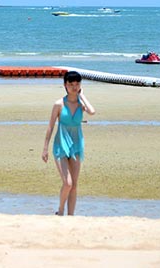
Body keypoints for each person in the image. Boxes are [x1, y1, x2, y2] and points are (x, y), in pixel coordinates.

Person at [42, 71, 95, 216]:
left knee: (74, 185)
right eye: (71, 84)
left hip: (76, 145)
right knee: (68, 183)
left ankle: (71, 216)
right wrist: (45, 148)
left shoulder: (80, 104)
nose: (74, 87)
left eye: (77, 84)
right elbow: (50, 126)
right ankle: (60, 210)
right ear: (65, 85)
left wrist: (82, 95)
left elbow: (92, 111)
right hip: (60, 145)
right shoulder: (59, 104)